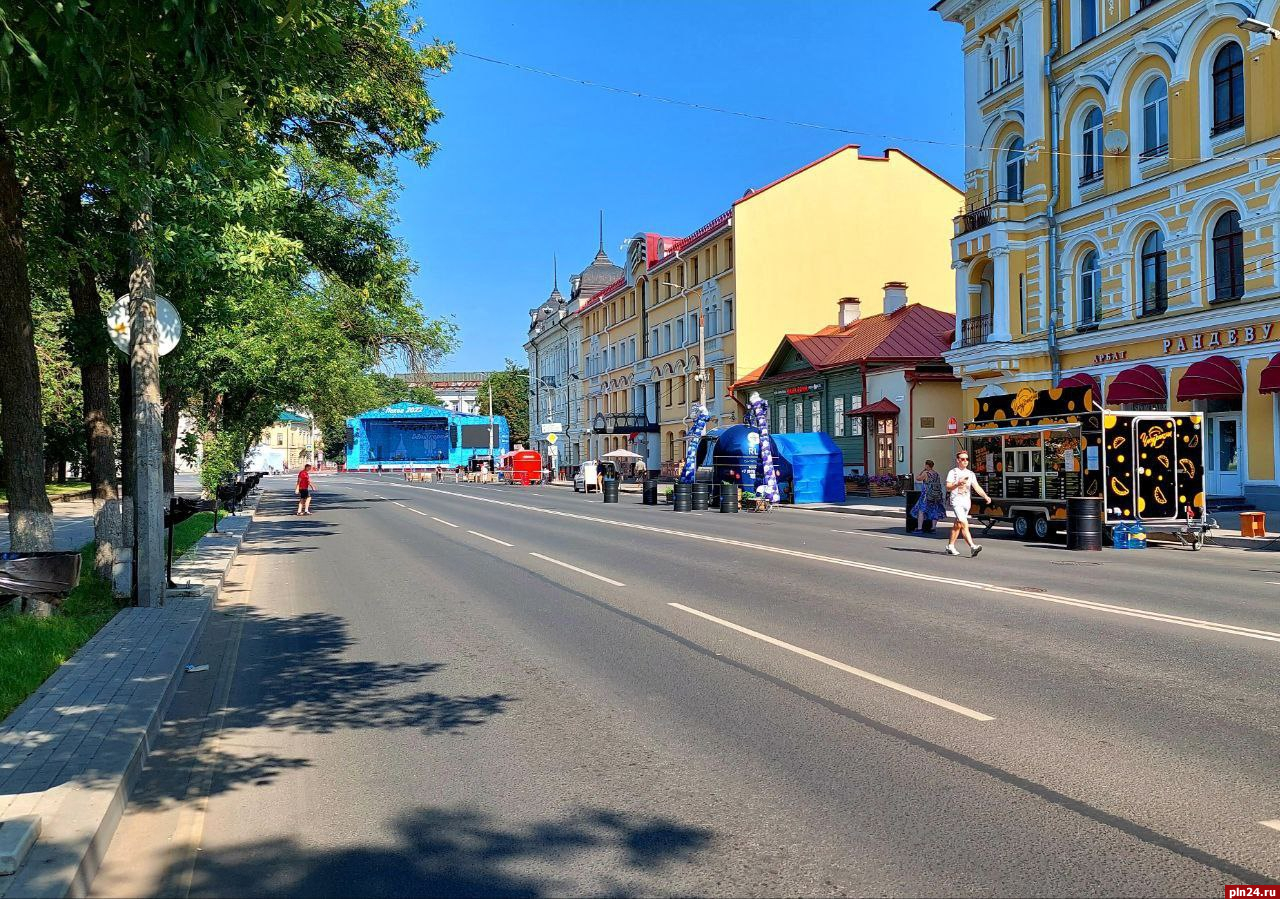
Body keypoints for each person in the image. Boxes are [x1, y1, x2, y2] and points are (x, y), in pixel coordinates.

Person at [945, 450, 990, 557]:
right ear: (958, 460)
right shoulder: (953, 472)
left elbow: (976, 487)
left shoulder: (970, 473)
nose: (965, 461)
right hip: (956, 501)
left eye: (967, 459)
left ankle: (950, 546)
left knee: (958, 525)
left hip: (966, 502)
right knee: (964, 523)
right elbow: (948, 487)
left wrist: (985, 496)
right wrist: (957, 484)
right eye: (962, 459)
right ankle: (972, 546)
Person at [911, 459, 946, 533]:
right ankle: (933, 528)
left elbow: (918, 478)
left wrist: (921, 471)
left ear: (927, 465)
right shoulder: (936, 474)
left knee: (921, 510)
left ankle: (920, 528)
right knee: (935, 510)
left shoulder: (926, 473)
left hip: (926, 495)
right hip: (936, 495)